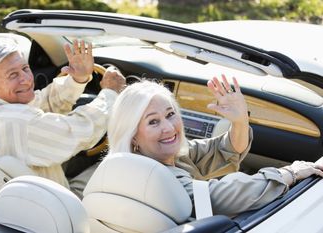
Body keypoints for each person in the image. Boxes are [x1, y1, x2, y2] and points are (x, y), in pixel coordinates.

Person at [106, 77, 323, 216]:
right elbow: (221, 197)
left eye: (171, 114)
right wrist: (289, 173)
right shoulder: (154, 177)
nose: (169, 128)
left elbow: (224, 149)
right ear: (133, 135)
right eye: (153, 121)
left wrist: (239, 121)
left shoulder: (163, 157)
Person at [0, 38, 126, 191]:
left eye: (25, 69)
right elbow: (81, 131)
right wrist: (111, 93)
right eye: (13, 75)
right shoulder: (19, 122)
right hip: (60, 207)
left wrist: (78, 79)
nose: (26, 80)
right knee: (122, 165)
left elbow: (41, 102)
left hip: (27, 198)